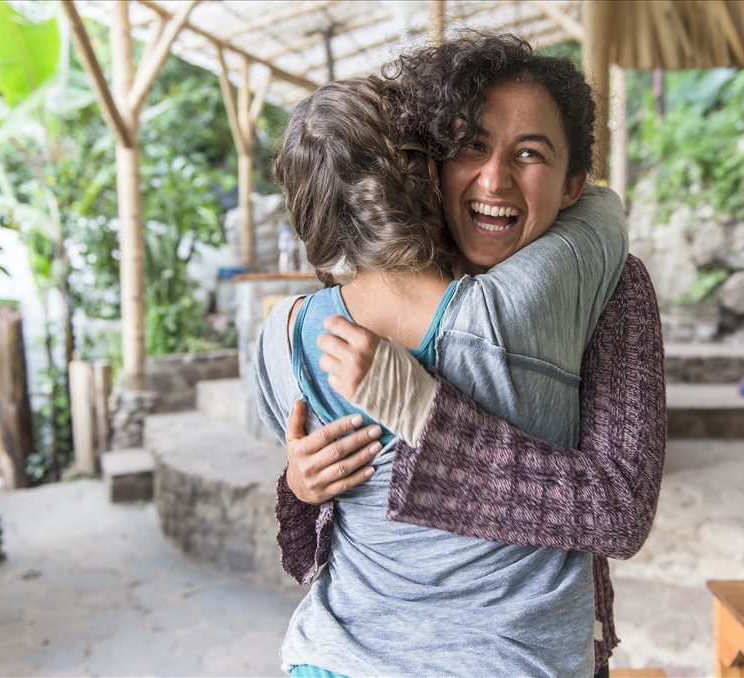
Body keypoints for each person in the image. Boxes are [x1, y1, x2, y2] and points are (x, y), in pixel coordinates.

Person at [256, 35, 663, 676]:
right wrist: (303, 486)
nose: (495, 178)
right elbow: (316, 542)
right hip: (342, 653)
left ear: (573, 186)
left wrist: (423, 411)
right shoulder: (369, 296)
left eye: (530, 153)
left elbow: (619, 509)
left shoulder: (608, 288)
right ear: (429, 166)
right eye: (472, 146)